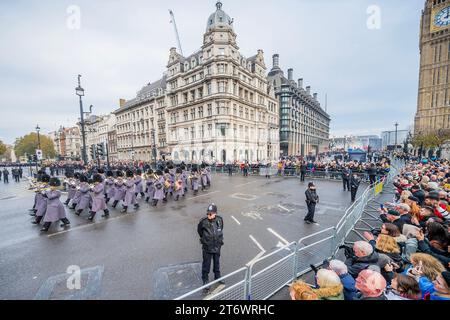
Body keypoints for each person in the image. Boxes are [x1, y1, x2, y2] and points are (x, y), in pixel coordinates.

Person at [197, 204, 224, 293]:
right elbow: (199, 231)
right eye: (208, 213)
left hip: (217, 246)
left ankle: (217, 276)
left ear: (215, 213)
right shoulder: (203, 222)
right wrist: (205, 239)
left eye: (211, 214)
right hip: (207, 247)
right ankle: (205, 280)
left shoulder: (219, 220)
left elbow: (221, 229)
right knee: (206, 264)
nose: (209, 215)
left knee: (217, 262)